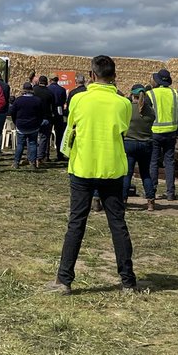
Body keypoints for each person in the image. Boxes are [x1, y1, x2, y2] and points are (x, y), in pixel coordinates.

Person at [45, 55, 137, 294]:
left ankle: (64, 279)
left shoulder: (79, 99)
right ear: (114, 76)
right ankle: (127, 280)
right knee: (117, 224)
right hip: (112, 168)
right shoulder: (123, 103)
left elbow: (72, 125)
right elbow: (123, 130)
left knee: (76, 223)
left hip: (83, 167)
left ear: (92, 75)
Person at [148, 69, 178, 200]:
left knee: (154, 162)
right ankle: (171, 192)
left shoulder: (150, 94)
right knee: (169, 162)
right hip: (171, 131)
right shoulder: (174, 93)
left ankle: (152, 190)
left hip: (155, 131)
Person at [125, 84, 157, 211]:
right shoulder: (150, 111)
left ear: (133, 95)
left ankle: (123, 199)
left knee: (127, 174)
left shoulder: (128, 108)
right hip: (146, 143)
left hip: (129, 142)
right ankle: (150, 201)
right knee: (145, 174)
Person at [9, 82, 45, 168]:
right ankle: (33, 162)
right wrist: (38, 123)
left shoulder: (18, 100)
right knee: (33, 144)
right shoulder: (37, 100)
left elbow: (12, 113)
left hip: (21, 125)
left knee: (20, 144)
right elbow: (41, 114)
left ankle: (16, 162)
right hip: (33, 125)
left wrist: (16, 122)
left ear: (23, 90)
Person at [48, 75, 68, 162]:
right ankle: (60, 154)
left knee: (47, 134)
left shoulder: (47, 89)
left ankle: (46, 154)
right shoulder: (62, 90)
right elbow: (64, 101)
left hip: (49, 112)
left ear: (50, 80)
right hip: (59, 112)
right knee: (59, 134)